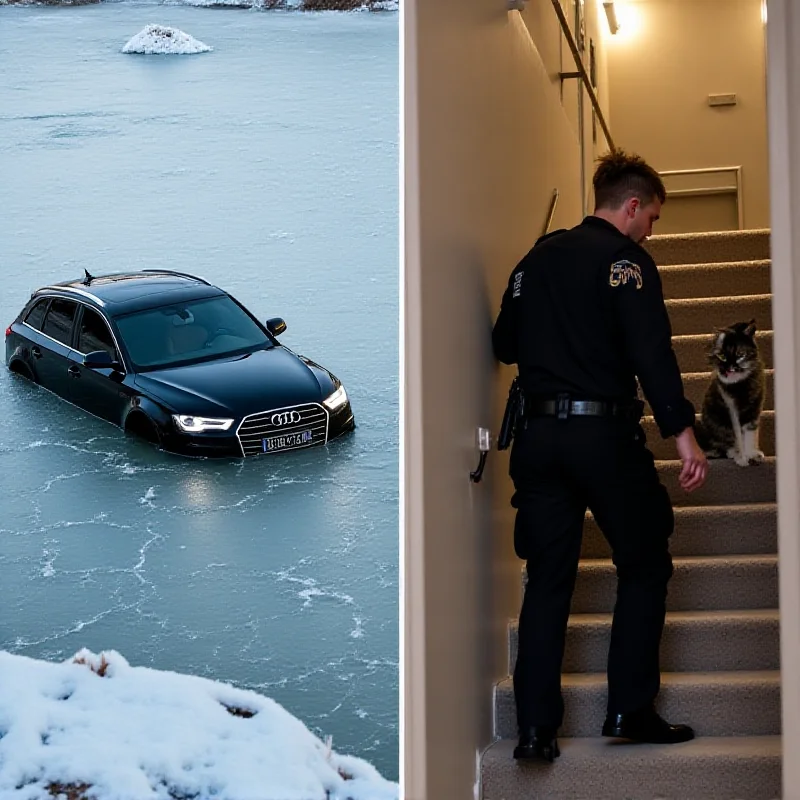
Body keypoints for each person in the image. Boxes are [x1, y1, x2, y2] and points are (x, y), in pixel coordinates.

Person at [491, 150, 709, 763]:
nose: (651, 231)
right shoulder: (626, 263)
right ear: (632, 205)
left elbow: (502, 342)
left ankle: (535, 732)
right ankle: (629, 709)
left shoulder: (535, 258)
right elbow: (652, 353)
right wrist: (684, 435)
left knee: (547, 581)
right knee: (643, 564)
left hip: (537, 441)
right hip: (605, 439)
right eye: (653, 219)